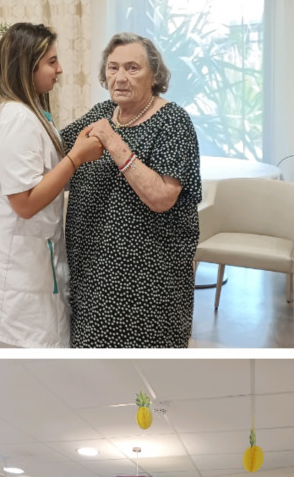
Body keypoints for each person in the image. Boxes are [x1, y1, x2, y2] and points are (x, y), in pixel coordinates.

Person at [0, 22, 103, 347]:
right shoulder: (19, 119)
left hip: (22, 252)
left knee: (23, 344)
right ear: (27, 67)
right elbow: (25, 203)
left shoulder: (30, 113)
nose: (60, 69)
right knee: (28, 345)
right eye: (52, 61)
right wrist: (76, 158)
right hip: (14, 258)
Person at [61, 32, 202, 348]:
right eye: (113, 68)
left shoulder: (172, 121)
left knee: (144, 377)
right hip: (91, 276)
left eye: (132, 68)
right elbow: (56, 153)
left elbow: (162, 197)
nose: (120, 78)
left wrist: (113, 142)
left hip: (148, 286)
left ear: (154, 75)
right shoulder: (100, 113)